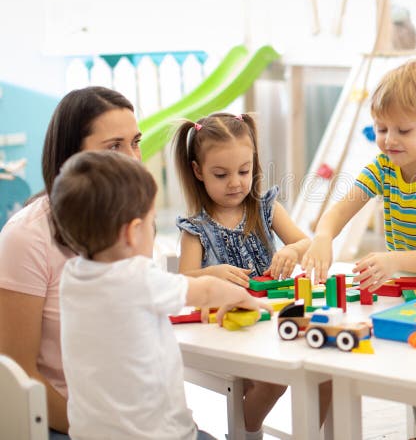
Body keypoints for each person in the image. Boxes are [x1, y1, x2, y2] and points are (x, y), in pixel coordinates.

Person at [301, 58, 416, 440]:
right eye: (382, 128)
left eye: (403, 129)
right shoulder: (384, 167)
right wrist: (323, 237)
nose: (389, 140)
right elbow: (339, 209)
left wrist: (391, 261)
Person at [51, 150, 267, 439]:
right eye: (151, 222)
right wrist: (244, 298)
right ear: (133, 232)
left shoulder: (72, 277)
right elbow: (206, 291)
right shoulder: (137, 277)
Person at [0, 86, 141, 438]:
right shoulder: (27, 236)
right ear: (70, 157)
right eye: (114, 146)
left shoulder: (129, 225)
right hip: (66, 424)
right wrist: (98, 429)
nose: (133, 159)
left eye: (135, 142)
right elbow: (18, 372)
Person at [172, 112, 315, 439]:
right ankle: (247, 434)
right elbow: (182, 281)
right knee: (274, 378)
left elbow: (306, 243)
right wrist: (213, 273)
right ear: (198, 172)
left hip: (270, 320)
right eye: (221, 174)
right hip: (226, 330)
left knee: (322, 369)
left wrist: (292, 251)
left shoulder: (265, 208)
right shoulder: (196, 229)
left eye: (244, 171)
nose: (235, 182)